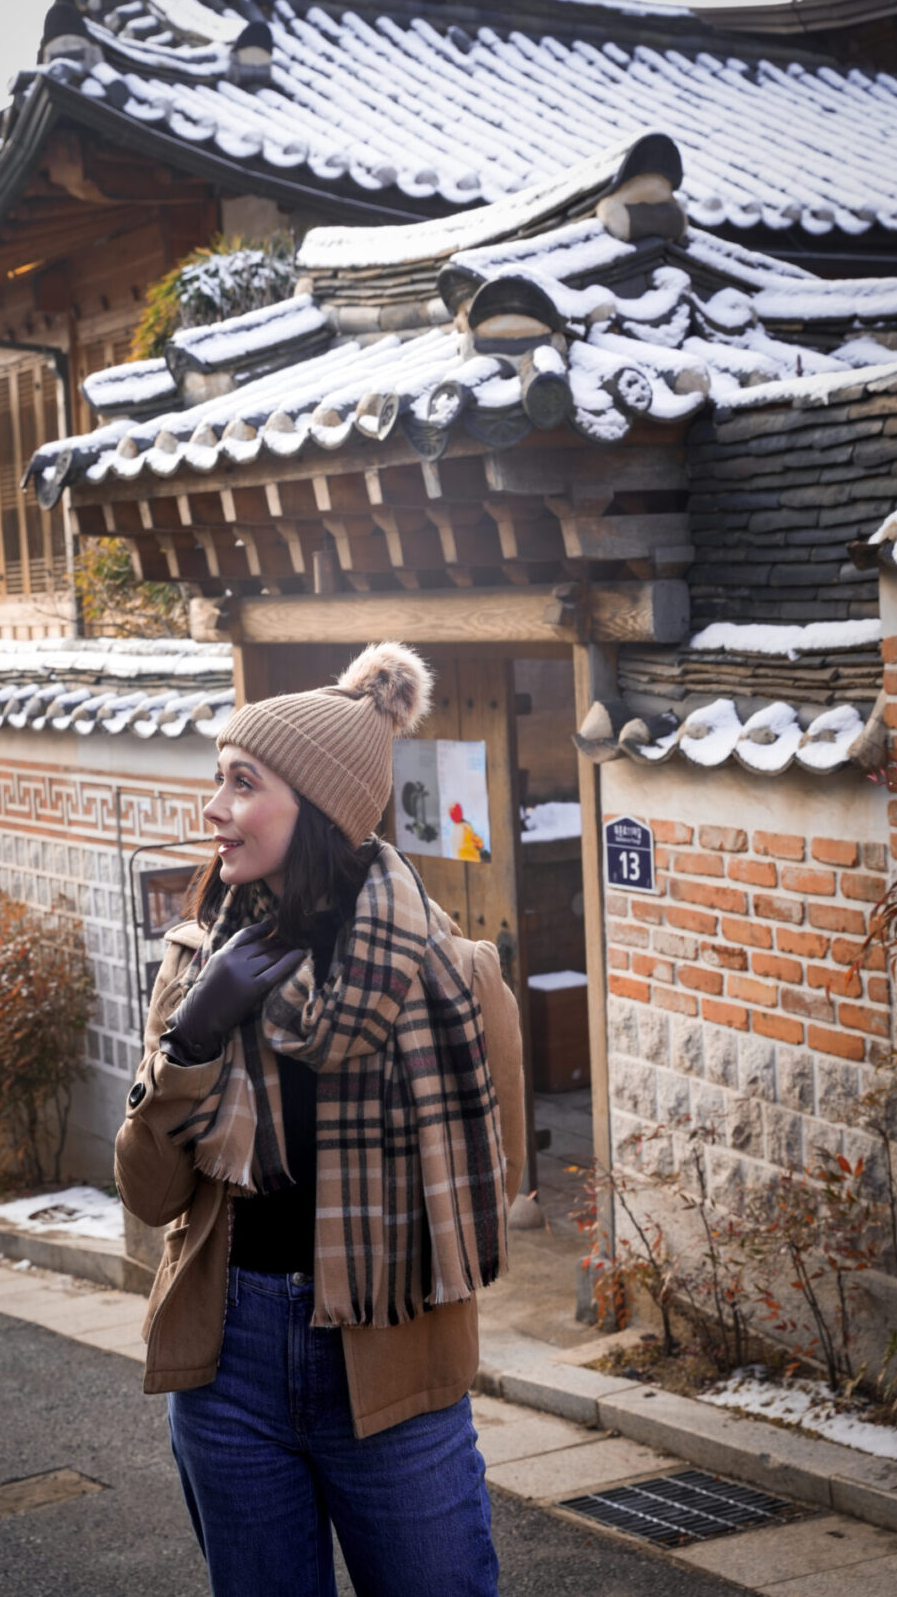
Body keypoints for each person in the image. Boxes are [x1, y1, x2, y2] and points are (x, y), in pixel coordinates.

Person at [115, 642, 525, 1597]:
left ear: (322, 810)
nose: (214, 808)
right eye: (218, 780)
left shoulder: (455, 981)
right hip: (230, 1362)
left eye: (243, 783)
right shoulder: (199, 968)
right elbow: (149, 1195)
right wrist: (193, 1040)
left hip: (396, 1363)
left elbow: (488, 1185)